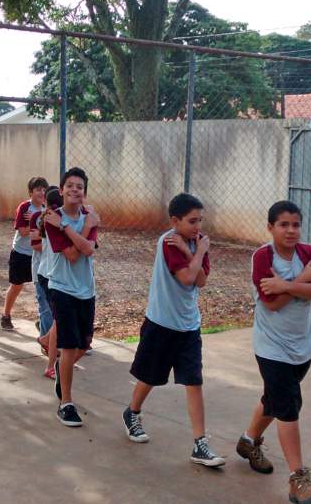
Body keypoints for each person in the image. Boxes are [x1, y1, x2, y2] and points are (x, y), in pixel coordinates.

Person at [121, 193, 225, 467]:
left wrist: (194, 251)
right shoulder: (168, 242)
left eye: (200, 220)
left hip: (189, 326)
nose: (197, 227)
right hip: (161, 323)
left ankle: (200, 443)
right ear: (175, 221)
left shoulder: (195, 243)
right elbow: (188, 277)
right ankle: (132, 412)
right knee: (150, 377)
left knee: (194, 382)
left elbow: (201, 281)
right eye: (192, 221)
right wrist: (198, 252)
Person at [238, 201, 311, 504]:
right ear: (270, 227)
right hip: (271, 347)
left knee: (274, 399)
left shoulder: (307, 253)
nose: (291, 230)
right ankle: (298, 480)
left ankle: (248, 442)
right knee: (287, 406)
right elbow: (273, 303)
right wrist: (302, 279)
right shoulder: (263, 257)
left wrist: (285, 284)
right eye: (284, 225)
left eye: (296, 224)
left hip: (301, 347)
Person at [43, 168, 98, 427]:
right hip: (62, 288)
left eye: (80, 187)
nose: (75, 190)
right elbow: (73, 255)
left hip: (86, 289)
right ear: (62, 190)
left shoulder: (88, 217)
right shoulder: (51, 219)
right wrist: (76, 227)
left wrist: (70, 227)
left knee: (84, 345)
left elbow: (87, 250)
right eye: (71, 185)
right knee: (68, 346)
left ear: (84, 192)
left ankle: (60, 371)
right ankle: (66, 403)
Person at [0, 177, 49, 331]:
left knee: (42, 287)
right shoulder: (25, 207)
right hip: (22, 253)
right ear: (30, 192)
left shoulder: (46, 209)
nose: (42, 192)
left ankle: (43, 319)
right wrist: (36, 223)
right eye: (38, 189)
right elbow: (22, 232)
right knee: (16, 286)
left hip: (38, 254)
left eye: (44, 189)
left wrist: (37, 222)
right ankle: (6, 315)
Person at [33, 186, 62, 379]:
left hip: (49, 274)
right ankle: (51, 365)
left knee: (59, 320)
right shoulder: (53, 220)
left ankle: (45, 339)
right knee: (59, 320)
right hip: (50, 276)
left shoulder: (49, 218)